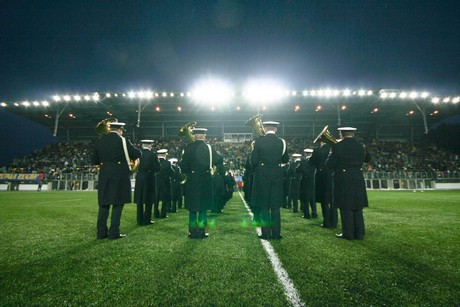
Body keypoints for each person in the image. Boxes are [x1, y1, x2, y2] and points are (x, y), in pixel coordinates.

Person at [92, 121, 141, 239]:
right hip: (119, 175)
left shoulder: (99, 141)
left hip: (104, 174)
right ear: (120, 130)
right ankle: (114, 233)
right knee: (117, 204)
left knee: (104, 204)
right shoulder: (122, 140)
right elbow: (136, 154)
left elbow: (94, 160)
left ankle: (101, 233)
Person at [326, 127, 372, 240]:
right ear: (353, 134)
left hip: (343, 178)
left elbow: (330, 165)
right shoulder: (361, 146)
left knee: (345, 206)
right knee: (358, 206)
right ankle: (360, 234)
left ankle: (348, 234)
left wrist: (331, 153)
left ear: (341, 134)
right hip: (358, 177)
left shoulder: (337, 146)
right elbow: (367, 159)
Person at [180, 127, 223, 239]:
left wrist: (190, 171)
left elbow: (183, 166)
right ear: (204, 136)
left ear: (194, 135)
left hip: (193, 180)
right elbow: (219, 160)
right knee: (203, 207)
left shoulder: (188, 148)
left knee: (193, 207)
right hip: (205, 180)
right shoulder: (209, 148)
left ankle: (192, 232)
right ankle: (201, 232)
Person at [250, 121, 289, 240]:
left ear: (265, 128)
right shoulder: (282, 142)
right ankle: (276, 234)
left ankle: (266, 233)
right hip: (277, 176)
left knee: (264, 206)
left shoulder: (258, 141)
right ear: (276, 129)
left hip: (262, 176)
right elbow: (285, 159)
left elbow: (253, 162)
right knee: (275, 207)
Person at [309, 140, 337, 228]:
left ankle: (327, 222)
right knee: (333, 200)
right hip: (334, 175)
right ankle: (334, 222)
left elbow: (311, 163)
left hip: (322, 177)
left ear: (321, 141)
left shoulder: (318, 150)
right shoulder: (334, 148)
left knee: (324, 200)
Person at [133, 139, 160, 226]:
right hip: (149, 178)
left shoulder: (137, 154)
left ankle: (139, 220)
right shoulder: (152, 155)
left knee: (139, 200)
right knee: (149, 199)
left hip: (139, 177)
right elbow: (158, 167)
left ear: (142, 145)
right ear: (149, 145)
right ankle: (146, 219)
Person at [155, 149, 175, 218]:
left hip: (156, 182)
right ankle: (163, 213)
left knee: (156, 198)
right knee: (164, 199)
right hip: (165, 182)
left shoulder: (155, 162)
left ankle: (156, 213)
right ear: (164, 155)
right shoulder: (167, 163)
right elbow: (172, 173)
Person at [299, 148, 317, 219]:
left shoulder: (303, 161)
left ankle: (306, 214)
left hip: (305, 180)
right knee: (313, 198)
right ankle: (314, 213)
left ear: (305, 153)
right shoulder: (315, 161)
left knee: (305, 198)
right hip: (313, 180)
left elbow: (298, 170)